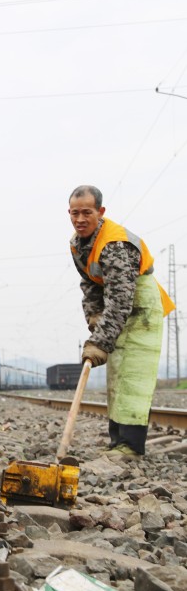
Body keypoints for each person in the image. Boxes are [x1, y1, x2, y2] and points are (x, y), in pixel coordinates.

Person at [68, 184, 175, 457]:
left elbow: (119, 300)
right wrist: (93, 316)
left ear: (100, 212)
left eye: (86, 213)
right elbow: (89, 281)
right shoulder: (78, 243)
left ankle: (130, 446)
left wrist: (99, 341)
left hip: (140, 309)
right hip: (118, 307)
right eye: (74, 213)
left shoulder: (115, 244)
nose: (80, 219)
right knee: (116, 377)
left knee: (132, 377)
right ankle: (117, 441)